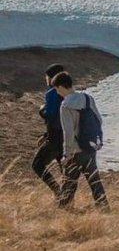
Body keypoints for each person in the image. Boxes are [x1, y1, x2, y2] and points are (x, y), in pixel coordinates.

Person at [52, 71, 109, 209]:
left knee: (69, 183)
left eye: (56, 89)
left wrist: (67, 154)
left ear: (60, 87)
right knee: (95, 182)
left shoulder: (65, 105)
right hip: (90, 148)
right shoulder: (88, 99)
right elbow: (99, 120)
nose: (57, 92)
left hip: (76, 151)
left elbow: (68, 132)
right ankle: (105, 210)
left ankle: (63, 213)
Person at [32, 63, 65, 196]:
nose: (46, 80)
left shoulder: (52, 93)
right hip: (65, 137)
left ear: (52, 78)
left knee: (37, 165)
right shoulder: (68, 92)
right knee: (65, 170)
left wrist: (41, 111)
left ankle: (58, 192)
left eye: (47, 77)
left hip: (54, 137)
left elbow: (51, 114)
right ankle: (66, 199)